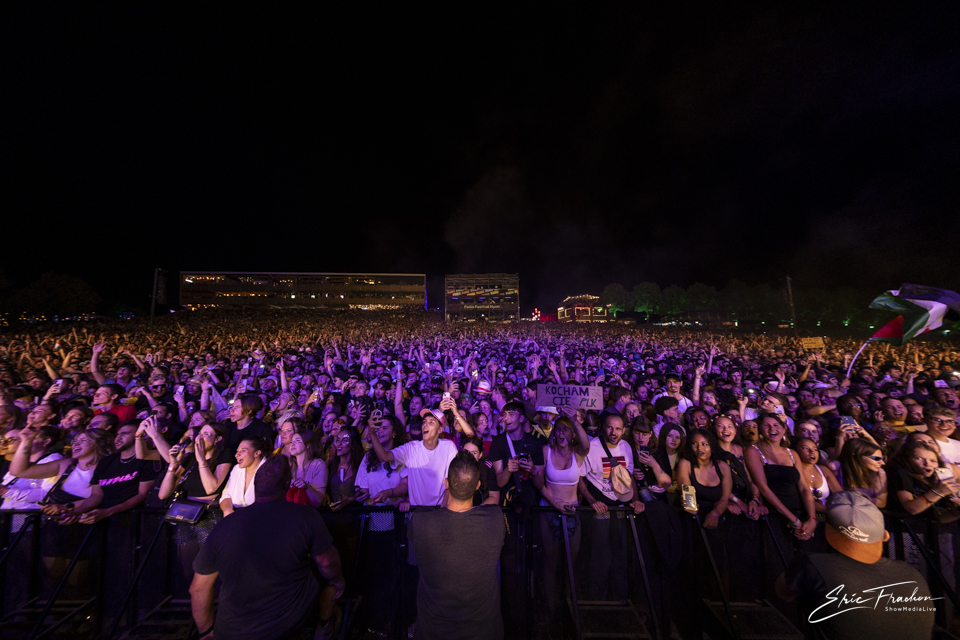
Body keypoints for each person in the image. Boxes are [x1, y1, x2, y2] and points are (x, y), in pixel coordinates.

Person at [190, 455, 346, 640]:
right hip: (283, 628)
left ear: (256, 486)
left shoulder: (225, 525)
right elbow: (327, 562)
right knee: (327, 579)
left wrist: (206, 632)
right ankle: (324, 628)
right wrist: (338, 582)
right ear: (287, 484)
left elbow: (198, 589)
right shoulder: (305, 516)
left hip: (230, 631)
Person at [777, 492, 935, 640]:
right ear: (885, 535)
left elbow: (783, 592)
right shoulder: (913, 575)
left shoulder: (812, 566)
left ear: (829, 531)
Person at [408, 450, 506, 640]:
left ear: (446, 483)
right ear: (477, 485)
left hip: (434, 632)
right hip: (483, 632)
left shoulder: (421, 521)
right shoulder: (494, 519)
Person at [744, 413, 818, 544]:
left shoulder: (792, 453)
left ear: (784, 429)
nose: (772, 429)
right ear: (760, 430)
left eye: (776, 425)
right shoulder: (753, 451)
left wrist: (812, 519)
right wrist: (794, 520)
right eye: (766, 425)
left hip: (800, 513)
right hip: (773, 514)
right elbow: (764, 488)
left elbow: (804, 488)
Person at [367, 408, 458, 507]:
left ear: (440, 429)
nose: (425, 425)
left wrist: (443, 508)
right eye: (424, 422)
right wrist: (372, 433)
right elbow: (384, 457)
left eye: (431, 422)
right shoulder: (411, 448)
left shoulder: (448, 447)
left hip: (440, 508)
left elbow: (451, 482)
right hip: (417, 510)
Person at [676, 429, 733, 527]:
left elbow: (724, 500)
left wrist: (715, 514)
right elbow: (688, 498)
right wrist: (691, 508)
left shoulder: (723, 467)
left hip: (718, 513)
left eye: (704, 444)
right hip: (692, 515)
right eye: (694, 444)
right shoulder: (685, 464)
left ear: (712, 446)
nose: (699, 448)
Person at [220, 435, 268, 516]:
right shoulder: (237, 469)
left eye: (243, 451)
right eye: (237, 451)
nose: (237, 455)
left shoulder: (269, 471)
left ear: (256, 453)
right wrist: (228, 511)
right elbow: (227, 495)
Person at [793, 437, 842, 514]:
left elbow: (840, 495)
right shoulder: (793, 472)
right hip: (803, 514)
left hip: (828, 514)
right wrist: (830, 511)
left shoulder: (824, 470)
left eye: (815, 449)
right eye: (806, 448)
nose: (812, 452)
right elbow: (802, 499)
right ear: (795, 451)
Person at [837, 438, 887, 509]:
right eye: (876, 458)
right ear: (856, 456)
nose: (882, 463)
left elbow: (881, 503)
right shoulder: (838, 469)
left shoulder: (879, 473)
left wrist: (859, 499)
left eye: (882, 458)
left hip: (866, 510)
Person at [288, 428, 327, 507]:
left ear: (308, 444)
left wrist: (306, 487)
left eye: (297, 441)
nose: (292, 444)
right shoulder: (290, 467)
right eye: (292, 441)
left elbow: (318, 501)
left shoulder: (318, 464)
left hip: (309, 512)